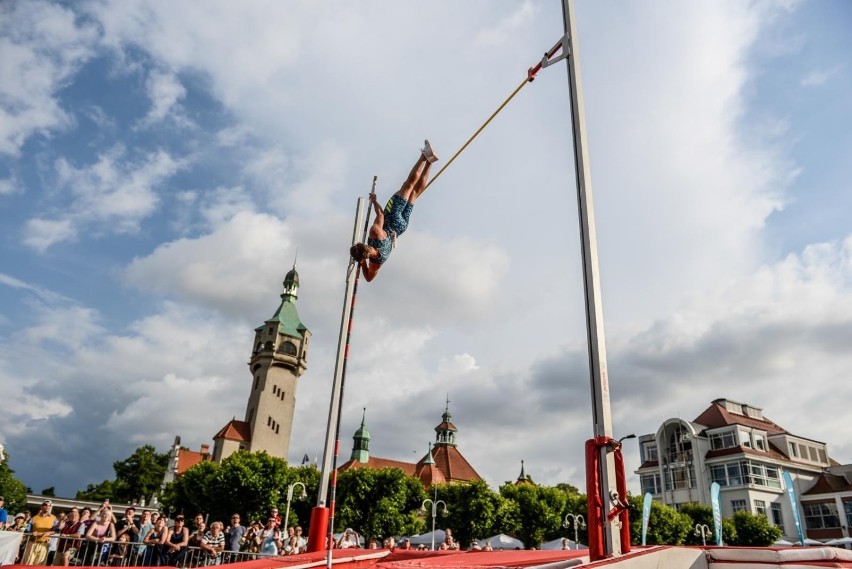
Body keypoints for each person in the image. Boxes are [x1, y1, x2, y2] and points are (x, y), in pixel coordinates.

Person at [350, 141, 439, 282]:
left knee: (415, 192)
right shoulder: (374, 233)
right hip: (393, 216)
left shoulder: (376, 263)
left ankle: (429, 163)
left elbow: (368, 278)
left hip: (400, 228)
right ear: (364, 245)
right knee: (408, 185)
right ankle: (424, 156)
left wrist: (362, 263)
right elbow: (380, 214)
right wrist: (374, 201)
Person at [24, 500, 57, 565]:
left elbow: (56, 530)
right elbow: (27, 529)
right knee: (28, 564)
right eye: (45, 505)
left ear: (51, 507)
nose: (47, 506)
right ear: (41, 507)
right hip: (32, 543)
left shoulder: (54, 518)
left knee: (39, 565)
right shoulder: (34, 518)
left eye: (49, 505)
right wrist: (32, 532)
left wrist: (49, 532)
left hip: (44, 544)